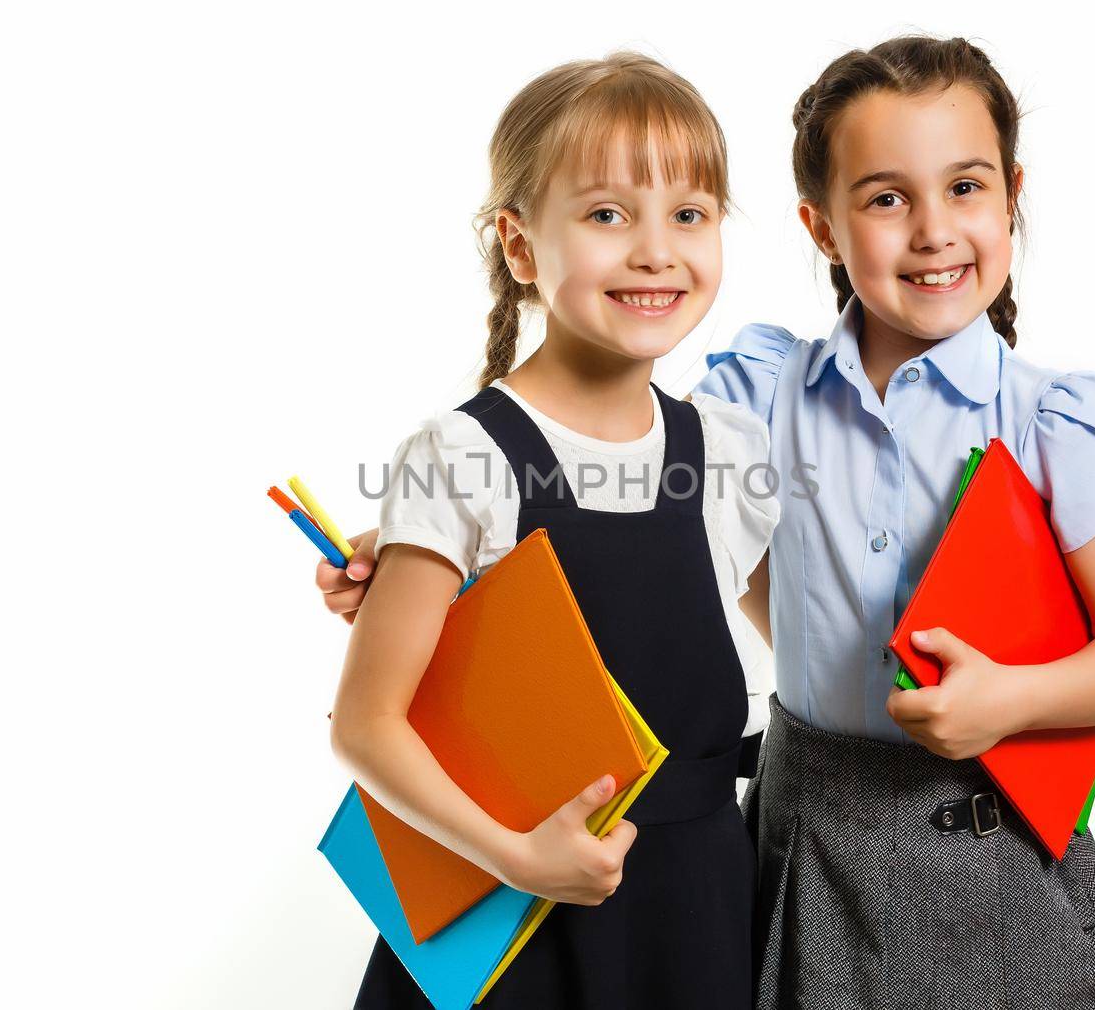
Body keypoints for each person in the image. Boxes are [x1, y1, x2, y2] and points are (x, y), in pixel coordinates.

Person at [690, 36, 1095, 1009]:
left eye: (964, 187)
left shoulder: (1055, 421)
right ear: (821, 226)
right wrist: (425, 549)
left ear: (1011, 196)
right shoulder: (759, 394)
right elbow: (634, 498)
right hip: (811, 851)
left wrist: (1016, 700)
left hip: (1006, 877)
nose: (932, 229)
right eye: (884, 197)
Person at [328, 52, 778, 1010]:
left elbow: (824, 662)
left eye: (689, 213)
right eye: (608, 214)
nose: (657, 249)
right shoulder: (462, 457)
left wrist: (1044, 704)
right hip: (514, 924)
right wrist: (521, 857)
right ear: (521, 246)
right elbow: (368, 725)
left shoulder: (727, 453)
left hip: (693, 917)